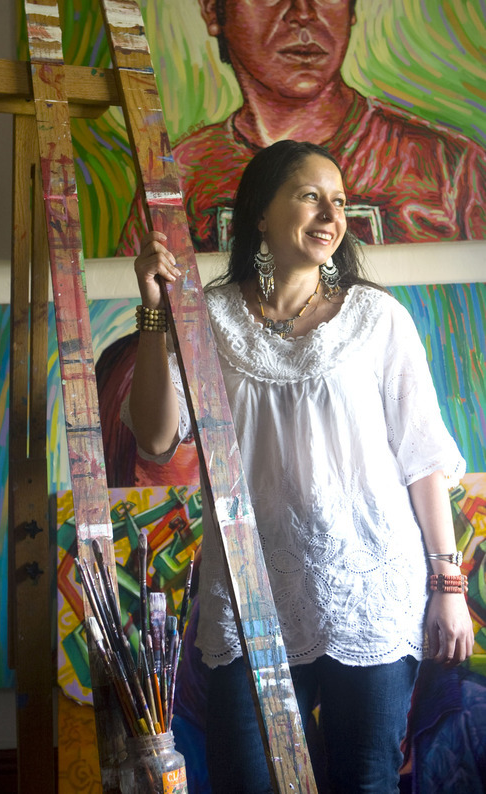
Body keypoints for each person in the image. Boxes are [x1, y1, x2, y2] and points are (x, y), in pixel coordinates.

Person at [123, 140, 474, 793]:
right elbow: (155, 437)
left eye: (339, 200)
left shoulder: (377, 319)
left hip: (369, 590)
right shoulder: (209, 319)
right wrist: (154, 312)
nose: (330, 214)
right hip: (251, 594)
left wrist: (447, 587)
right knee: (247, 784)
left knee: (363, 782)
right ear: (261, 212)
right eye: (310, 194)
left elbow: (421, 458)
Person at [116, 0, 486, 255]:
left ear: (351, 3)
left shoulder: (451, 170)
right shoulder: (181, 176)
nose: (303, 14)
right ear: (213, 10)